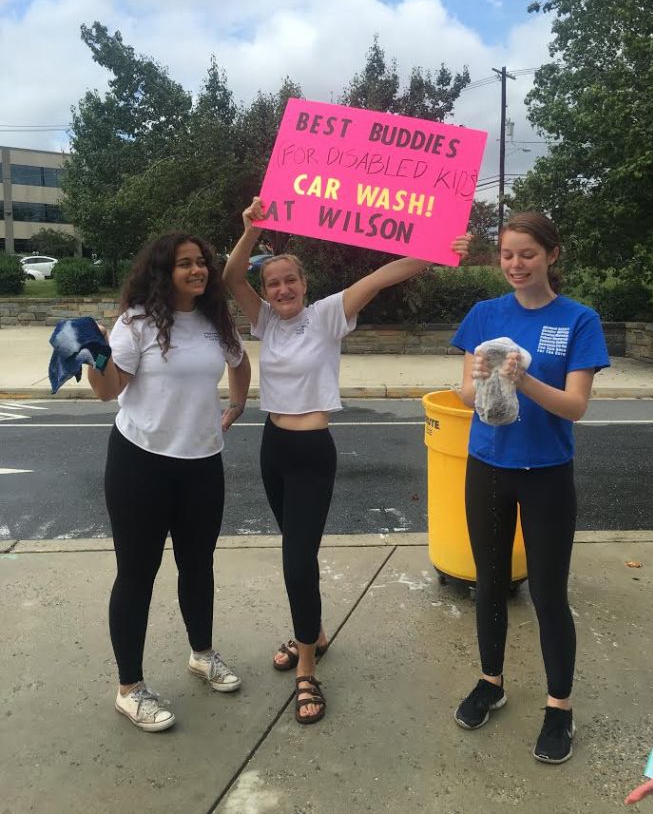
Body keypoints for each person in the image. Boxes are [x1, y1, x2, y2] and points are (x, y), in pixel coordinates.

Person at [224, 197, 459, 725]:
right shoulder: (266, 324)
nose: (282, 289)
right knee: (295, 553)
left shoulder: (328, 315)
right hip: (272, 447)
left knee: (296, 561)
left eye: (290, 281)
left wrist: (439, 249)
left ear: (304, 285)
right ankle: (318, 632)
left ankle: (307, 666)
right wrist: (251, 229)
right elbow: (231, 275)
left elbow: (382, 276)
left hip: (311, 453)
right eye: (274, 284)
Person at [451, 211, 609, 763]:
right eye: (507, 255)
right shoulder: (483, 315)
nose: (516, 265)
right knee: (489, 584)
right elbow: (465, 398)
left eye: (528, 254)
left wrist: (525, 379)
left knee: (547, 593)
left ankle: (559, 707)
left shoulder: (578, 320)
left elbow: (576, 406)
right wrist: (482, 381)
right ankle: (490, 682)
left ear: (552, 256)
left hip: (546, 474)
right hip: (487, 467)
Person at [88, 232, 251, 732]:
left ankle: (202, 654)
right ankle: (130, 688)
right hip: (141, 462)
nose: (198, 271)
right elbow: (108, 390)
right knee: (136, 575)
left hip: (202, 463)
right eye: (185, 264)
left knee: (198, 566)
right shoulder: (135, 323)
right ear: (164, 271)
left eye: (202, 262)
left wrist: (237, 403)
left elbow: (239, 363)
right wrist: (93, 357)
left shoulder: (214, 321)